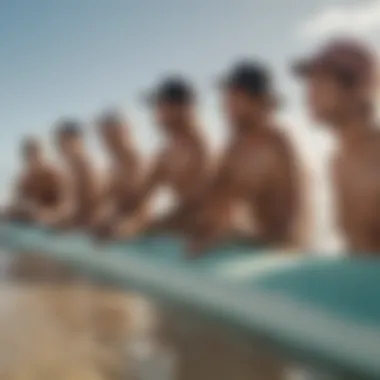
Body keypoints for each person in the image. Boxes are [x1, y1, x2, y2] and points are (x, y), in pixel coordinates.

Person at [188, 61, 305, 256]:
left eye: (233, 97)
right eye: (225, 97)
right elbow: (214, 199)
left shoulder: (279, 146)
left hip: (282, 256)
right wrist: (210, 231)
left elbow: (294, 226)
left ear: (258, 101)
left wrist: (240, 238)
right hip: (254, 245)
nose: (224, 106)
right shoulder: (235, 147)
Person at [292, 38, 380, 255]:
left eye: (321, 82)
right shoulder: (339, 159)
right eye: (310, 82)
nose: (309, 93)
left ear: (357, 88)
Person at [122, 76, 210, 238]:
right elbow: (140, 195)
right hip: (190, 233)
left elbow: (198, 209)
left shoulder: (204, 150)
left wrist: (147, 225)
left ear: (179, 108)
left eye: (159, 106)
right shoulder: (165, 154)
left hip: (222, 239)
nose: (155, 115)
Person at [92, 111, 146, 238]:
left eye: (114, 136)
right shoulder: (111, 168)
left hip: (136, 234)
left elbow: (144, 212)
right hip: (113, 229)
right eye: (106, 138)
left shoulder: (140, 164)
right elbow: (105, 203)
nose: (110, 142)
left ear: (125, 132)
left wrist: (123, 229)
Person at [54, 119, 102, 229]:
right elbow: (68, 206)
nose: (61, 146)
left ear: (79, 140)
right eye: (59, 142)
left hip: (90, 230)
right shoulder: (71, 169)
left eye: (65, 140)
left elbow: (89, 210)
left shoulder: (86, 167)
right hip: (82, 227)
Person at [5, 137, 65, 224]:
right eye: (28, 154)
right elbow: (16, 203)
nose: (31, 158)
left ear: (41, 153)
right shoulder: (24, 179)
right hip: (30, 224)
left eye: (34, 153)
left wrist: (40, 213)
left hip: (52, 225)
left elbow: (65, 208)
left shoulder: (54, 176)